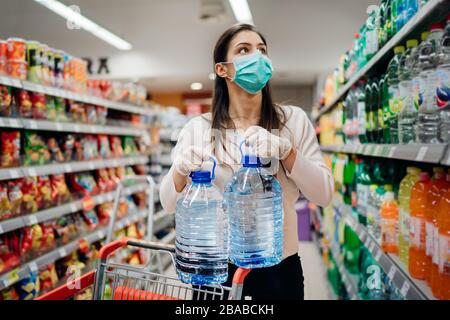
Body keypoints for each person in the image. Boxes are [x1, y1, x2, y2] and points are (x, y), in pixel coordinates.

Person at [159, 23, 334, 300]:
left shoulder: (293, 121)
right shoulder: (198, 129)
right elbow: (168, 203)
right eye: (244, 50)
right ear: (222, 69)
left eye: (262, 51)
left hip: (279, 268)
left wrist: (287, 153)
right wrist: (180, 170)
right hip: (214, 271)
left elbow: (324, 194)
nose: (258, 58)